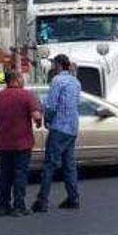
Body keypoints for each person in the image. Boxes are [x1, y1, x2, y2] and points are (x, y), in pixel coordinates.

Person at [0, 70, 42, 217]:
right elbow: (36, 115)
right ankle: (19, 206)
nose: (23, 80)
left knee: (5, 175)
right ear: (17, 79)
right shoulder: (27, 95)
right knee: (20, 175)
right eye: (22, 78)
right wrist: (38, 123)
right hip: (22, 142)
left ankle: (3, 205)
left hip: (4, 142)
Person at [32, 54, 81, 212]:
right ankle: (73, 198)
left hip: (59, 127)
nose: (52, 66)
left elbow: (52, 105)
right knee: (69, 165)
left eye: (54, 63)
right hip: (72, 127)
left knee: (49, 165)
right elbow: (77, 103)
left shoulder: (57, 81)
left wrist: (47, 119)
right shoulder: (76, 82)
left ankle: (42, 201)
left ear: (59, 64)